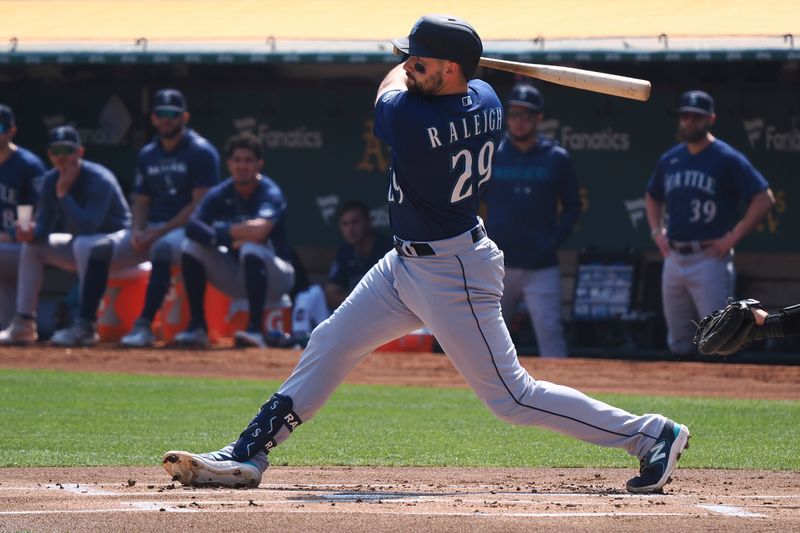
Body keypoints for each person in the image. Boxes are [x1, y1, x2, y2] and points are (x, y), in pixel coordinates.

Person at [162, 15, 689, 495]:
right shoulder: (487, 97)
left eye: (421, 62)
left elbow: (388, 87)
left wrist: (400, 63)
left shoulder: (412, 119)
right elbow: (450, 80)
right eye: (411, 60)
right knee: (331, 341)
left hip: (452, 270)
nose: (410, 68)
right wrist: (423, 58)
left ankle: (651, 434)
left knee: (513, 398)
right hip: (406, 264)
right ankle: (248, 453)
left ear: (451, 68)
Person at [645, 90, 775, 354]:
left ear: (710, 119)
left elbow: (764, 198)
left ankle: (725, 390)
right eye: (685, 116)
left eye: (696, 117)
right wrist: (657, 232)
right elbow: (652, 196)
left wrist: (732, 237)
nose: (689, 121)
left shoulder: (726, 157)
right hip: (675, 256)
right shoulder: (671, 158)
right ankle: (682, 393)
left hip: (709, 258)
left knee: (721, 339)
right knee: (678, 340)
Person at [0, 126, 131, 345]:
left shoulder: (99, 178)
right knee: (34, 248)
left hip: (117, 242)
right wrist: (31, 232)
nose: (61, 157)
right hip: (83, 244)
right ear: (49, 155)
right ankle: (23, 323)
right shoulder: (51, 180)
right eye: (55, 152)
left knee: (83, 243)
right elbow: (44, 222)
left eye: (67, 151)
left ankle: (84, 325)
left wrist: (64, 194)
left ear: (80, 152)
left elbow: (88, 226)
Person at [116, 89, 221, 347]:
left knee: (162, 248)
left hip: (184, 229)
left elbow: (199, 204)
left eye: (172, 115)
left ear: (184, 117)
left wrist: (158, 232)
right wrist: (138, 229)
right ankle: (83, 324)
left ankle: (144, 326)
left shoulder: (201, 151)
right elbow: (141, 200)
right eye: (161, 114)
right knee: (96, 250)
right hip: (151, 229)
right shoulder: (148, 154)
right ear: (153, 118)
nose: (166, 119)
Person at [172, 132, 294, 348]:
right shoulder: (221, 192)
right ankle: (197, 326)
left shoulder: (269, 191)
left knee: (250, 247)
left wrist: (221, 231)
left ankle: (254, 329)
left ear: (259, 164)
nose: (242, 166)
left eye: (248, 160)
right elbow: (192, 225)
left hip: (278, 277)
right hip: (238, 274)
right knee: (191, 248)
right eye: (237, 160)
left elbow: (259, 231)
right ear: (229, 164)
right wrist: (224, 238)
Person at [484, 84, 580, 358]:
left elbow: (573, 207)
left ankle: (560, 398)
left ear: (538, 119)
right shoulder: (493, 152)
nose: (519, 121)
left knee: (550, 334)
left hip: (541, 265)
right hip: (498, 263)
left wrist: (552, 242)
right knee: (489, 336)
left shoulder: (556, 157)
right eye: (514, 114)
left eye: (526, 115)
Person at [290, 200, 393, 340]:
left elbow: (393, 295)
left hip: (386, 315)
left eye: (355, 222)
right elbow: (331, 294)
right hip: (353, 314)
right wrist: (360, 301)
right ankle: (302, 339)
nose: (350, 229)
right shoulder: (346, 251)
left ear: (369, 222)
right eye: (345, 224)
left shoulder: (387, 249)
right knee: (310, 294)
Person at [0, 104, 46, 329]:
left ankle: (25, 322)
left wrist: (8, 235)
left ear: (11, 131)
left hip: (22, 247)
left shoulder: (28, 165)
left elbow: (37, 216)